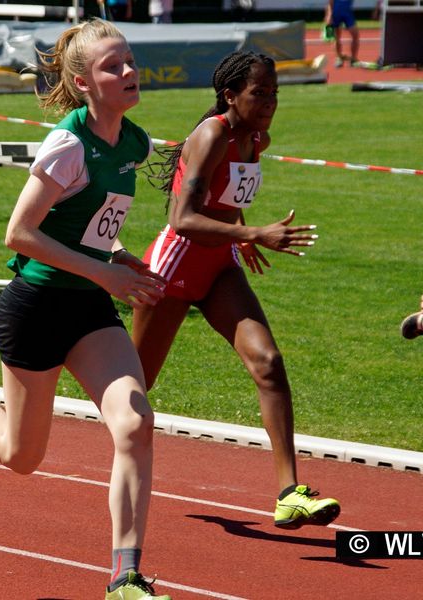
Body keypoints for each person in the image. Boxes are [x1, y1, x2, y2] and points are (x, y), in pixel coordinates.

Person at [0, 19, 171, 600]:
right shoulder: (69, 144)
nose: (128, 72)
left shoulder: (133, 140)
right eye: (112, 67)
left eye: (129, 61)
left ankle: (125, 576)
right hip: (35, 307)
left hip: (89, 308)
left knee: (135, 422)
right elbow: (19, 233)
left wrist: (120, 257)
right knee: (20, 456)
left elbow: (91, 229)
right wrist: (104, 270)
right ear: (82, 82)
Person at [132, 50, 341, 531]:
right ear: (230, 94)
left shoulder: (256, 138)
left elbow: (229, 195)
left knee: (268, 363)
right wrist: (253, 235)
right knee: (132, 386)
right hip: (176, 267)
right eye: (259, 92)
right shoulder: (211, 135)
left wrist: (240, 230)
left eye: (274, 93)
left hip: (219, 266)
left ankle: (290, 492)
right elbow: (180, 219)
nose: (269, 102)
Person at [325, 0, 360, 68]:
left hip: (347, 13)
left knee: (355, 35)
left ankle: (353, 59)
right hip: (336, 13)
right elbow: (330, 2)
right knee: (337, 37)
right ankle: (339, 58)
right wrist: (329, 15)